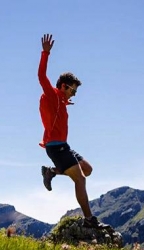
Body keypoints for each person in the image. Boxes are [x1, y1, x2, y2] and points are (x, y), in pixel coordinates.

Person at [38, 33, 101, 228]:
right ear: (63, 86)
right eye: (72, 90)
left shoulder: (60, 101)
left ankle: (52, 171)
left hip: (64, 146)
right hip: (55, 147)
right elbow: (41, 76)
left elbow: (58, 107)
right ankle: (89, 220)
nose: (74, 93)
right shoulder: (51, 95)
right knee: (80, 179)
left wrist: (65, 101)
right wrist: (45, 53)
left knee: (87, 170)